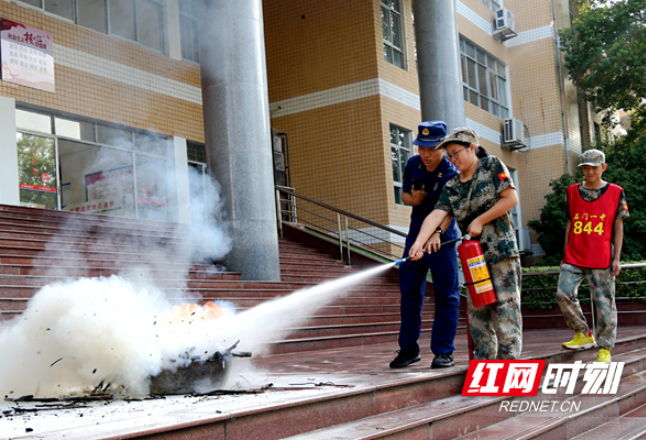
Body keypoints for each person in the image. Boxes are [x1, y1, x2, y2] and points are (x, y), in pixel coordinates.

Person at [408, 127, 522, 360]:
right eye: (449, 155)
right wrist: (419, 242)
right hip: (474, 260)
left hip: (501, 253)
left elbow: (511, 198)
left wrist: (480, 220)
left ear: (472, 147)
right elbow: (436, 215)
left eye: (456, 152)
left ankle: (507, 366)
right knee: (478, 313)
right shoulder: (453, 185)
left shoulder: (491, 165)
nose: (453, 159)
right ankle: (483, 365)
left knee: (505, 312)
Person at [390, 121, 461, 369]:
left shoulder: (452, 172)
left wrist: (437, 234)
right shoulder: (413, 164)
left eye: (431, 148)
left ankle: (443, 351)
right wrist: (415, 199)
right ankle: (408, 349)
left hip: (442, 240)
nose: (426, 154)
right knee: (409, 294)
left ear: (442, 147)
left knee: (447, 295)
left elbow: (448, 209)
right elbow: (406, 196)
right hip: (415, 237)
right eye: (421, 148)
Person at [557, 149, 629, 363]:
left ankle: (605, 347)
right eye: (585, 167)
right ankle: (582, 332)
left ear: (603, 168)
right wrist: (564, 254)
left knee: (604, 303)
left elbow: (618, 226)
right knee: (563, 293)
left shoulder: (616, 192)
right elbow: (569, 223)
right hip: (574, 255)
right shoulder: (571, 192)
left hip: (602, 257)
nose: (589, 171)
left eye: (594, 167)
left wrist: (617, 259)